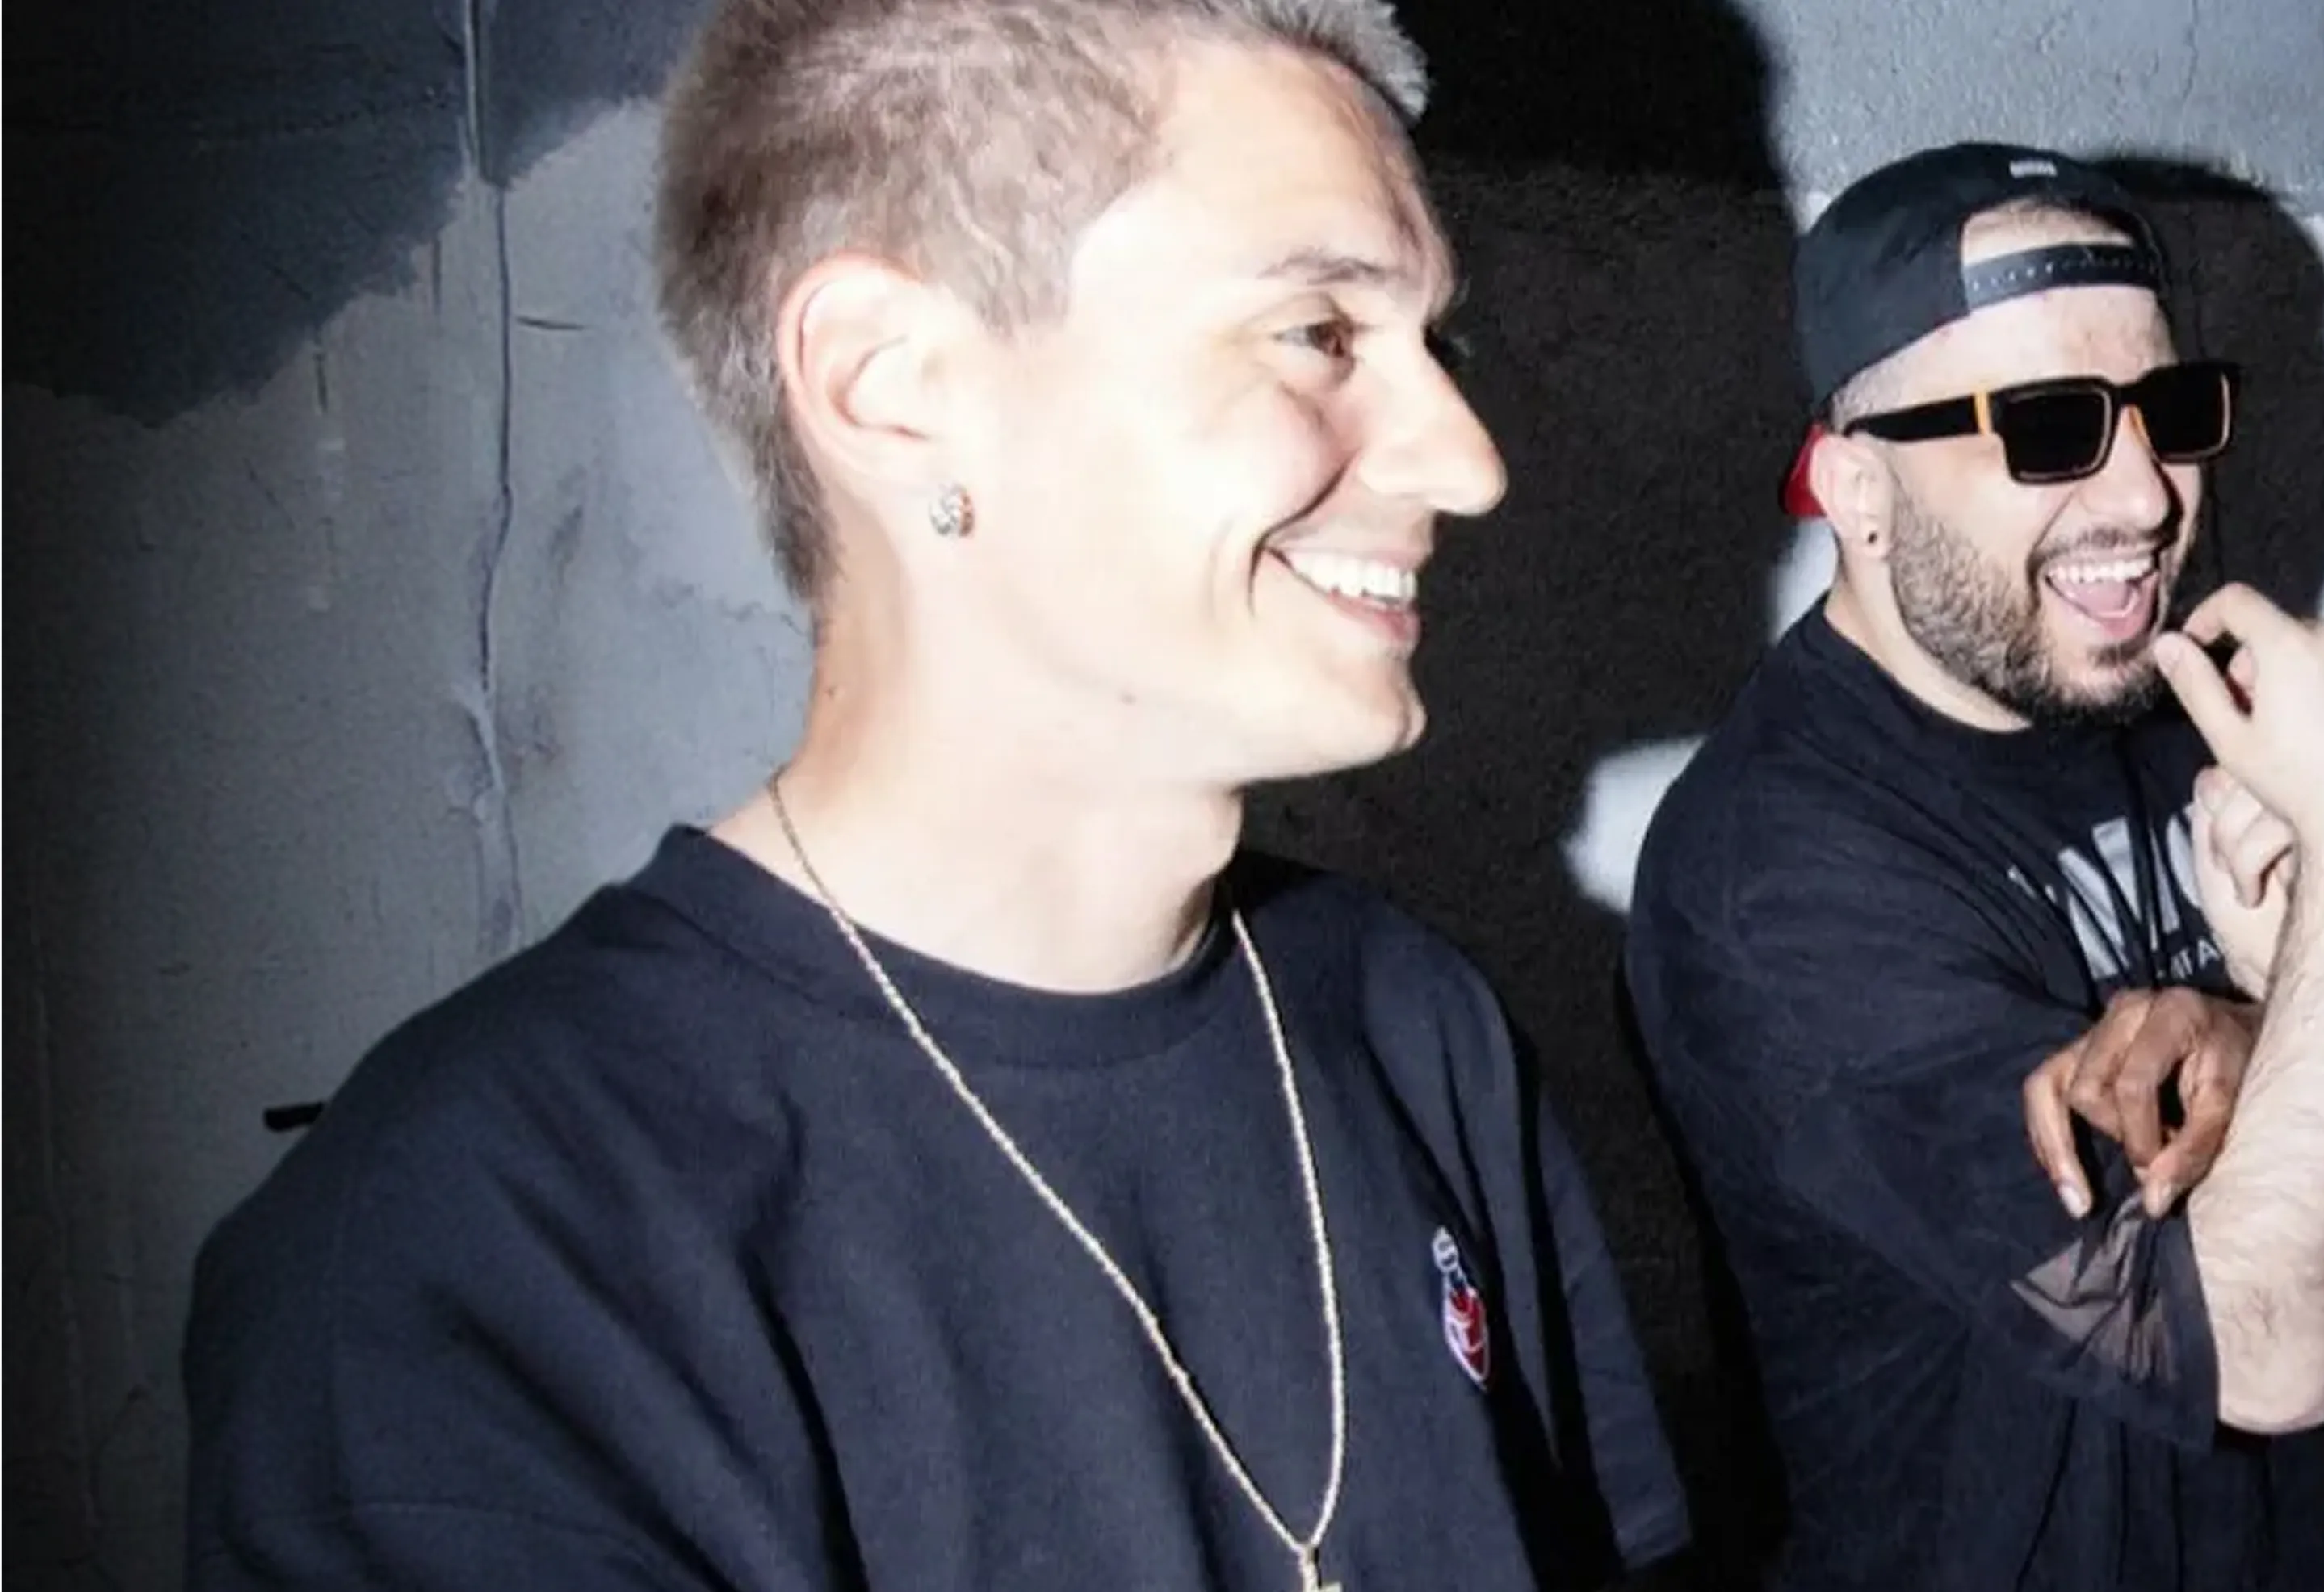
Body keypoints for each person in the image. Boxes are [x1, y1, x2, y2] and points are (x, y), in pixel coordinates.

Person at [180, 2, 1687, 1587]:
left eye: (1437, 347)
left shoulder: (1407, 1018)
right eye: (1317, 334)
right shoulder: (482, 1248)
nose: (1466, 460)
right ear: (891, 388)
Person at [1621, 144, 2324, 1592]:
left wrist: (2265, 1023)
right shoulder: (1767, 881)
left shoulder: (2157, 701)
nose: (2147, 495)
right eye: (2052, 426)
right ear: (1858, 491)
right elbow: (2259, 1352)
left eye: (2169, 413)